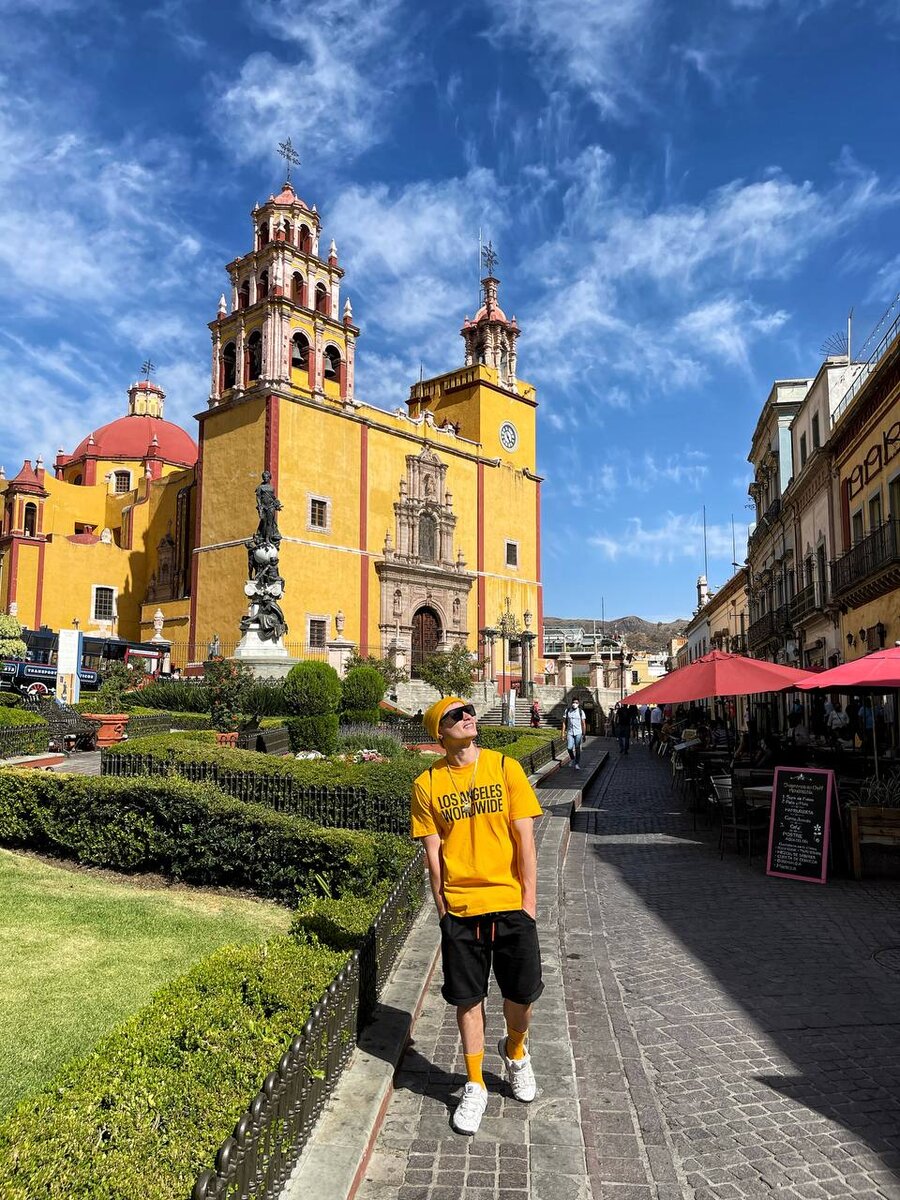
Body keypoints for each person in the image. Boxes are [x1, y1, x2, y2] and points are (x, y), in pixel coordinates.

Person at [411, 697, 543, 1136]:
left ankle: (516, 1050)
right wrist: (444, 911)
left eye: (468, 711)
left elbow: (524, 839)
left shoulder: (505, 768)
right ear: (440, 733)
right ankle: (475, 1082)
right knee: (468, 999)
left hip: (509, 904)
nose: (468, 717)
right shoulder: (427, 784)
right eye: (455, 716)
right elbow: (434, 856)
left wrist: (529, 903)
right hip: (462, 909)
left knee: (521, 995)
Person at [562, 698, 586, 770]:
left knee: (577, 748)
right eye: (573, 702)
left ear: (578, 704)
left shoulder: (581, 712)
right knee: (569, 748)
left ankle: (577, 763)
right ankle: (572, 758)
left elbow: (583, 723)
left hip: (578, 732)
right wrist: (563, 733)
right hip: (570, 732)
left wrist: (584, 734)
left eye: (576, 702)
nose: (574, 704)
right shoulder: (567, 711)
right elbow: (564, 722)